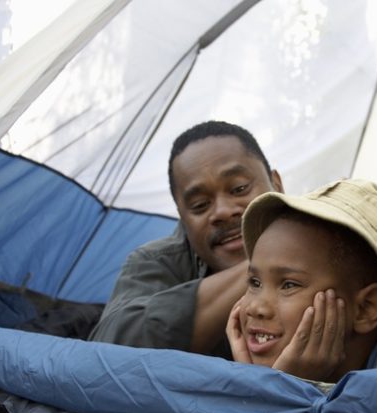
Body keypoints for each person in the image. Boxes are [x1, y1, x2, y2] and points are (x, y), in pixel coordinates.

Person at [226, 178, 377, 383]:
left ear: (365, 309)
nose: (256, 308)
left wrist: (280, 391)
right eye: (254, 282)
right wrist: (255, 385)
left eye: (289, 285)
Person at [89, 121, 283, 357]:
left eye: (239, 188)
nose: (222, 211)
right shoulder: (156, 262)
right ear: (182, 218)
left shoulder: (328, 241)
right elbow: (108, 351)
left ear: (277, 185)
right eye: (200, 205)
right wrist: (272, 264)